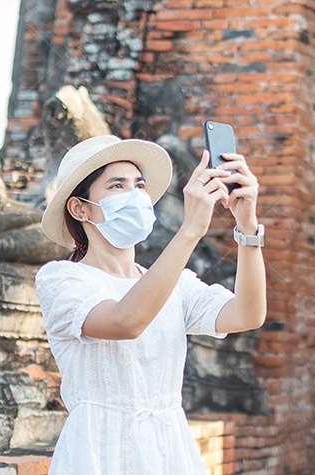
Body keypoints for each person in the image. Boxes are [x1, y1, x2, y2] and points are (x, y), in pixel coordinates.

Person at [35, 135, 267, 474]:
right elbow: (125, 322)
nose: (135, 195)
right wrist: (189, 231)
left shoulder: (176, 283)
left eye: (139, 185)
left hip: (170, 451)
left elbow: (247, 313)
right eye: (117, 186)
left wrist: (247, 228)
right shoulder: (61, 280)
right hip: (98, 455)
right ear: (79, 208)